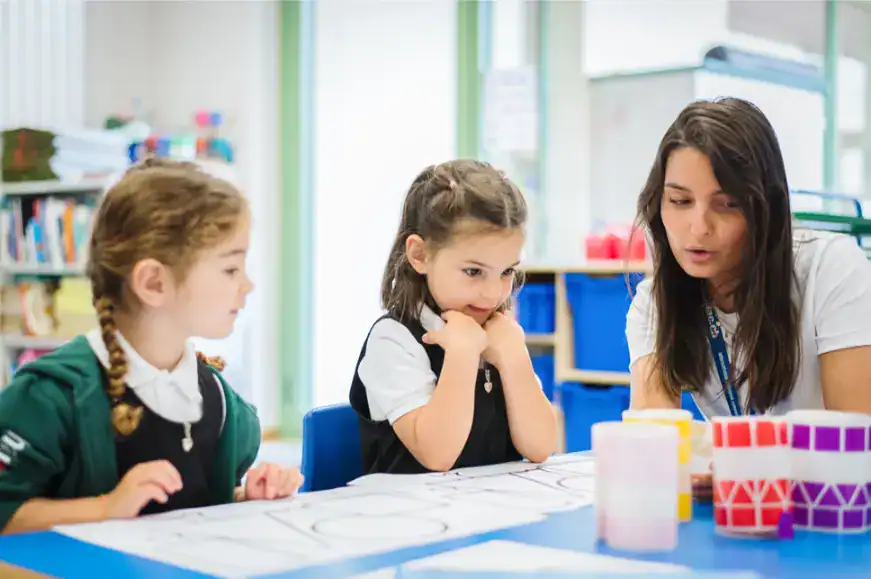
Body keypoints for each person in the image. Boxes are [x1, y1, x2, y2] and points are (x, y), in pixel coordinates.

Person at [0, 158, 302, 535]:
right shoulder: (48, 399)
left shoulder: (228, 410)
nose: (247, 285)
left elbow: (193, 512)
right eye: (230, 269)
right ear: (154, 283)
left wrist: (244, 499)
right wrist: (106, 508)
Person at [627, 97, 871, 421]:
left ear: (765, 207)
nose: (699, 228)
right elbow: (652, 443)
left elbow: (855, 444)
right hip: (741, 471)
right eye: (680, 200)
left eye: (727, 204)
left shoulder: (831, 270)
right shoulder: (655, 303)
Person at [349, 160, 557, 474]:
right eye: (473, 271)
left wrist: (515, 358)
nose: (492, 294)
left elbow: (540, 446)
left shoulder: (499, 335)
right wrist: (462, 354)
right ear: (420, 255)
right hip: (409, 518)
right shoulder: (393, 340)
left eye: (506, 272)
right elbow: (438, 454)